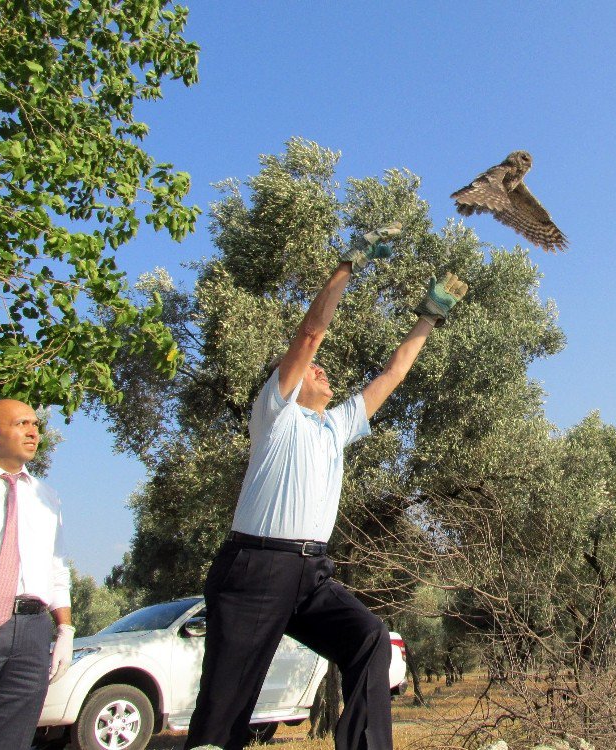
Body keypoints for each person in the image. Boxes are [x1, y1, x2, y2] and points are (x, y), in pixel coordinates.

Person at [185, 224, 468, 750]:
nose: (322, 369)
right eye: (312, 369)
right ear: (286, 380)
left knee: (369, 639)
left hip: (312, 573)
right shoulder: (276, 413)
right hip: (255, 569)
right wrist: (348, 265)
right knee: (225, 707)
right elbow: (311, 333)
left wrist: (428, 317)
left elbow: (392, 374)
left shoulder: (334, 427)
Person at [0, 398, 74, 750]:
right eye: (22, 423)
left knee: (12, 740)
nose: (34, 431)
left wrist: (64, 629)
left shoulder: (46, 496)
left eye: (36, 424)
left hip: (32, 635)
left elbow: (57, 568)